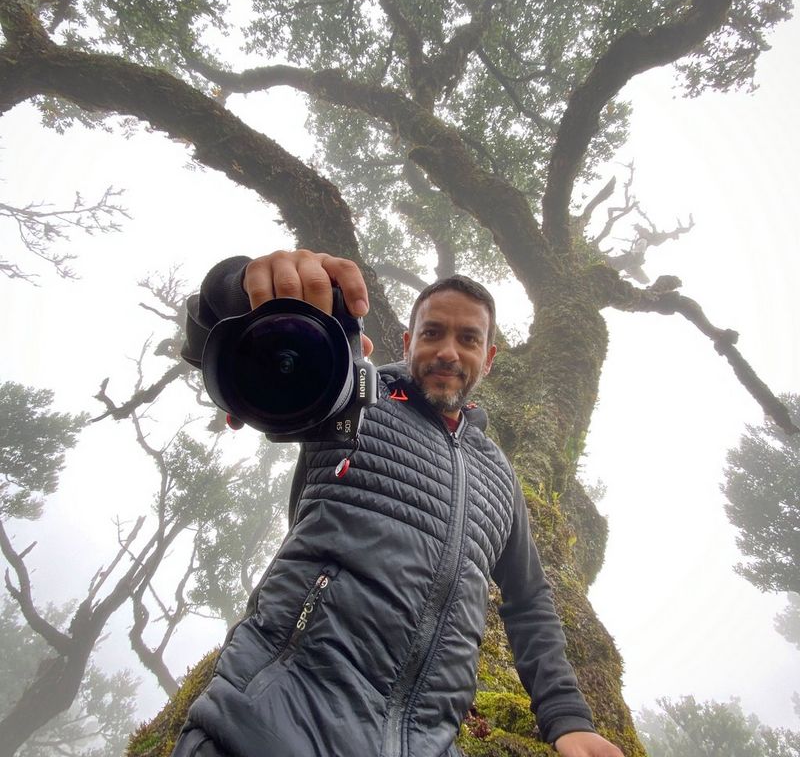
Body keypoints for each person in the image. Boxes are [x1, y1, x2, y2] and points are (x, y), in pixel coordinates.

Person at [174, 249, 625, 757]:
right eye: (432, 333)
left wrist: (568, 718)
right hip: (267, 727)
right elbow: (218, 327)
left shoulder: (503, 476)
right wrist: (246, 288)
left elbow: (530, 601)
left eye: (468, 338)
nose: (448, 351)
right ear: (409, 343)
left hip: (425, 743)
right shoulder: (352, 394)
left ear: (490, 359)